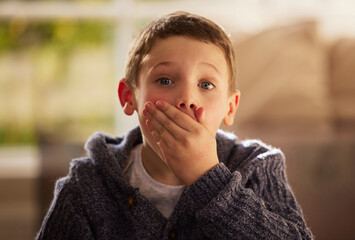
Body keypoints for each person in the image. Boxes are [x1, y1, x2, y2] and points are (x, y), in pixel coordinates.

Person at [36, 11, 313, 239]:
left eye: (205, 84)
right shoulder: (87, 187)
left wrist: (209, 179)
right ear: (129, 97)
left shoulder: (256, 169)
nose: (186, 99)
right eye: (165, 80)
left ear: (230, 108)